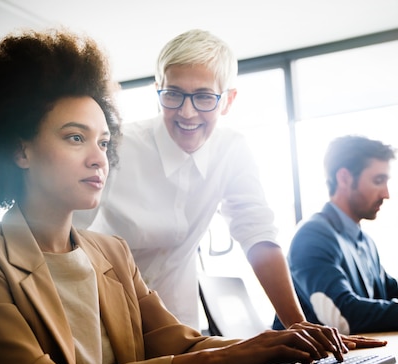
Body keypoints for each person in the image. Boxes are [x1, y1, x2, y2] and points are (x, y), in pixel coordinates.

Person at [0, 29, 357, 364]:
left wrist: (292, 343)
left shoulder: (111, 252)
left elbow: (186, 345)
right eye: (75, 138)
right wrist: (218, 359)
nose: (100, 158)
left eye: (103, 141)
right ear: (20, 151)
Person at [75, 29, 304, 330]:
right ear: (158, 90)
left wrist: (298, 324)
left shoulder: (231, 150)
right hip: (103, 314)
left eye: (204, 97)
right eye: (173, 94)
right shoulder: (117, 146)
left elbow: (257, 233)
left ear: (227, 100)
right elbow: (68, 233)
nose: (187, 112)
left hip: (176, 320)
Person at [274, 135, 398, 334]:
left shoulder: (363, 240)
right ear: (344, 178)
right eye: (378, 180)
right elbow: (345, 317)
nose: (386, 194)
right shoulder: (312, 236)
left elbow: (390, 292)